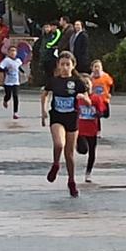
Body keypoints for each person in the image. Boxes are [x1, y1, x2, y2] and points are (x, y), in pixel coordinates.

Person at [41, 50, 85, 196]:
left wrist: (84, 99)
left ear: (73, 65)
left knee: (70, 154)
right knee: (59, 144)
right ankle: (55, 164)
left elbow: (88, 99)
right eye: (62, 64)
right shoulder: (54, 80)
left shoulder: (78, 83)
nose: (65, 67)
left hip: (72, 118)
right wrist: (43, 110)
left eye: (68, 64)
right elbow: (45, 94)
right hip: (57, 117)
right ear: (58, 66)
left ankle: (71, 181)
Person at [0, 41, 26, 117]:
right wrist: (6, 70)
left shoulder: (18, 60)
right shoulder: (6, 60)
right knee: (8, 95)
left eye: (14, 51)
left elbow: (18, 67)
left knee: (16, 96)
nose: (13, 53)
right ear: (8, 52)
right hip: (8, 82)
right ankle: (5, 100)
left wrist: (23, 72)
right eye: (11, 51)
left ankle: (15, 113)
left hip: (16, 82)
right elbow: (0, 68)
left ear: (16, 53)